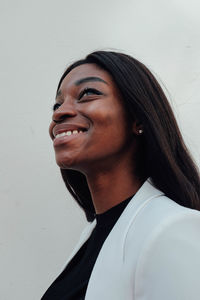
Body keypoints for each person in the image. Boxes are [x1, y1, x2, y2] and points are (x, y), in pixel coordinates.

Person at [41, 51, 200, 300]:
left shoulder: (170, 228)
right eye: (57, 104)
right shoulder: (95, 233)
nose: (59, 113)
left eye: (87, 94)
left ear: (138, 118)